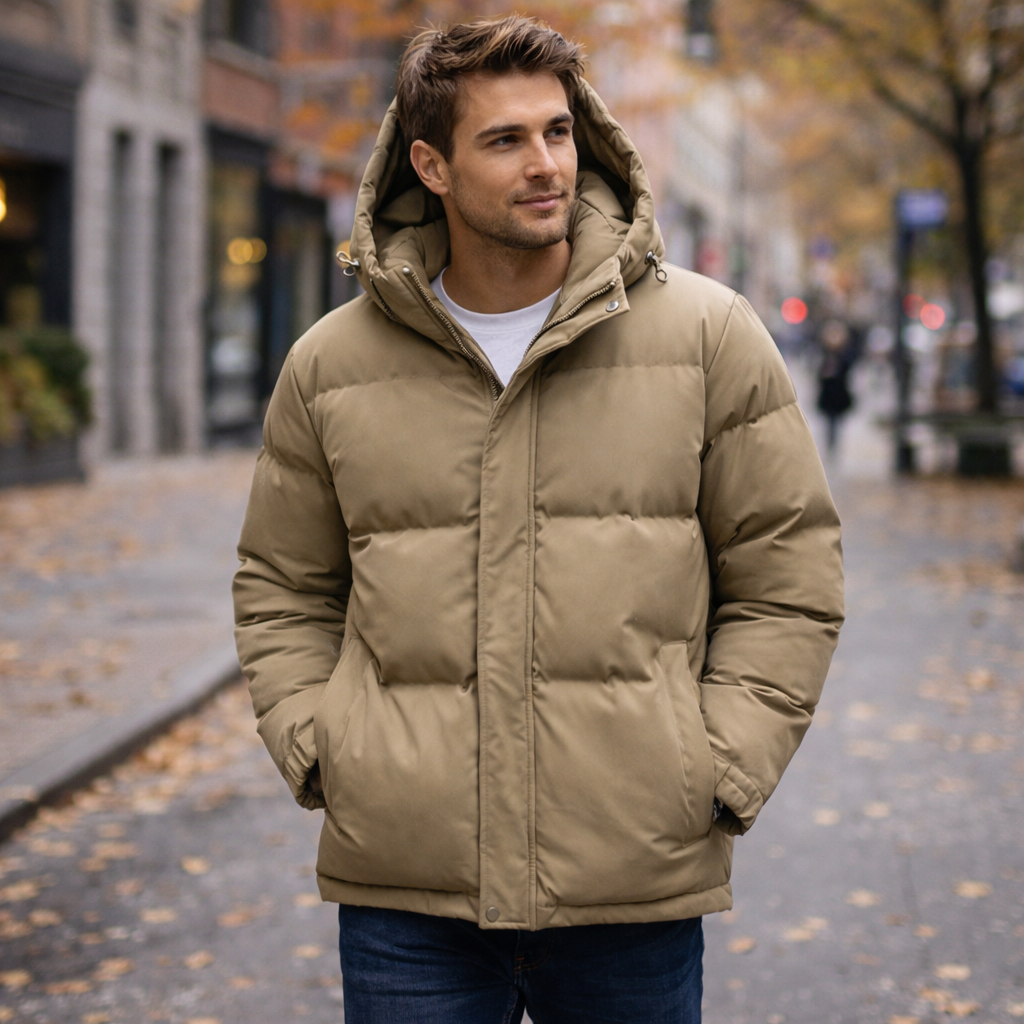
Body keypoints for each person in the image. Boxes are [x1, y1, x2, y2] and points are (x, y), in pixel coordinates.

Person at [233, 16, 844, 1024]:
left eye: (557, 131)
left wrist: (718, 767)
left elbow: (790, 573)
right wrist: (322, 745)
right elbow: (282, 586)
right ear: (430, 165)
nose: (546, 164)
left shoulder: (707, 335)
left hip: (631, 886)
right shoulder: (331, 365)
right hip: (408, 897)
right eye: (504, 140)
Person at [816, 319, 855, 453]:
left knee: (836, 423)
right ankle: (830, 444)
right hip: (828, 395)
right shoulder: (823, 354)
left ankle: (833, 445)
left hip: (839, 394)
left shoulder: (844, 356)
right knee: (829, 423)